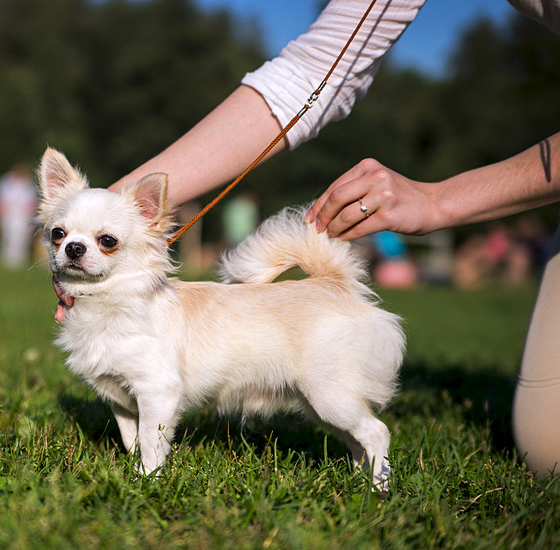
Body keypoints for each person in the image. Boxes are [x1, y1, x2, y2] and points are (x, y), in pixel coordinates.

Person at [54, 0, 560, 477]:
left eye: (106, 242)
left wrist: (441, 200)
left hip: (317, 329)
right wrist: (108, 211)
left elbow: (157, 385)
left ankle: (374, 458)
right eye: (59, 236)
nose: (72, 248)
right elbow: (313, 71)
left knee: (547, 451)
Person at [0, 164, 38, 269]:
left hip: (23, 214)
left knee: (21, 236)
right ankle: (7, 258)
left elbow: (32, 199)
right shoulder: (6, 181)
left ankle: (19, 259)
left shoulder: (28, 183)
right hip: (7, 213)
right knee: (7, 236)